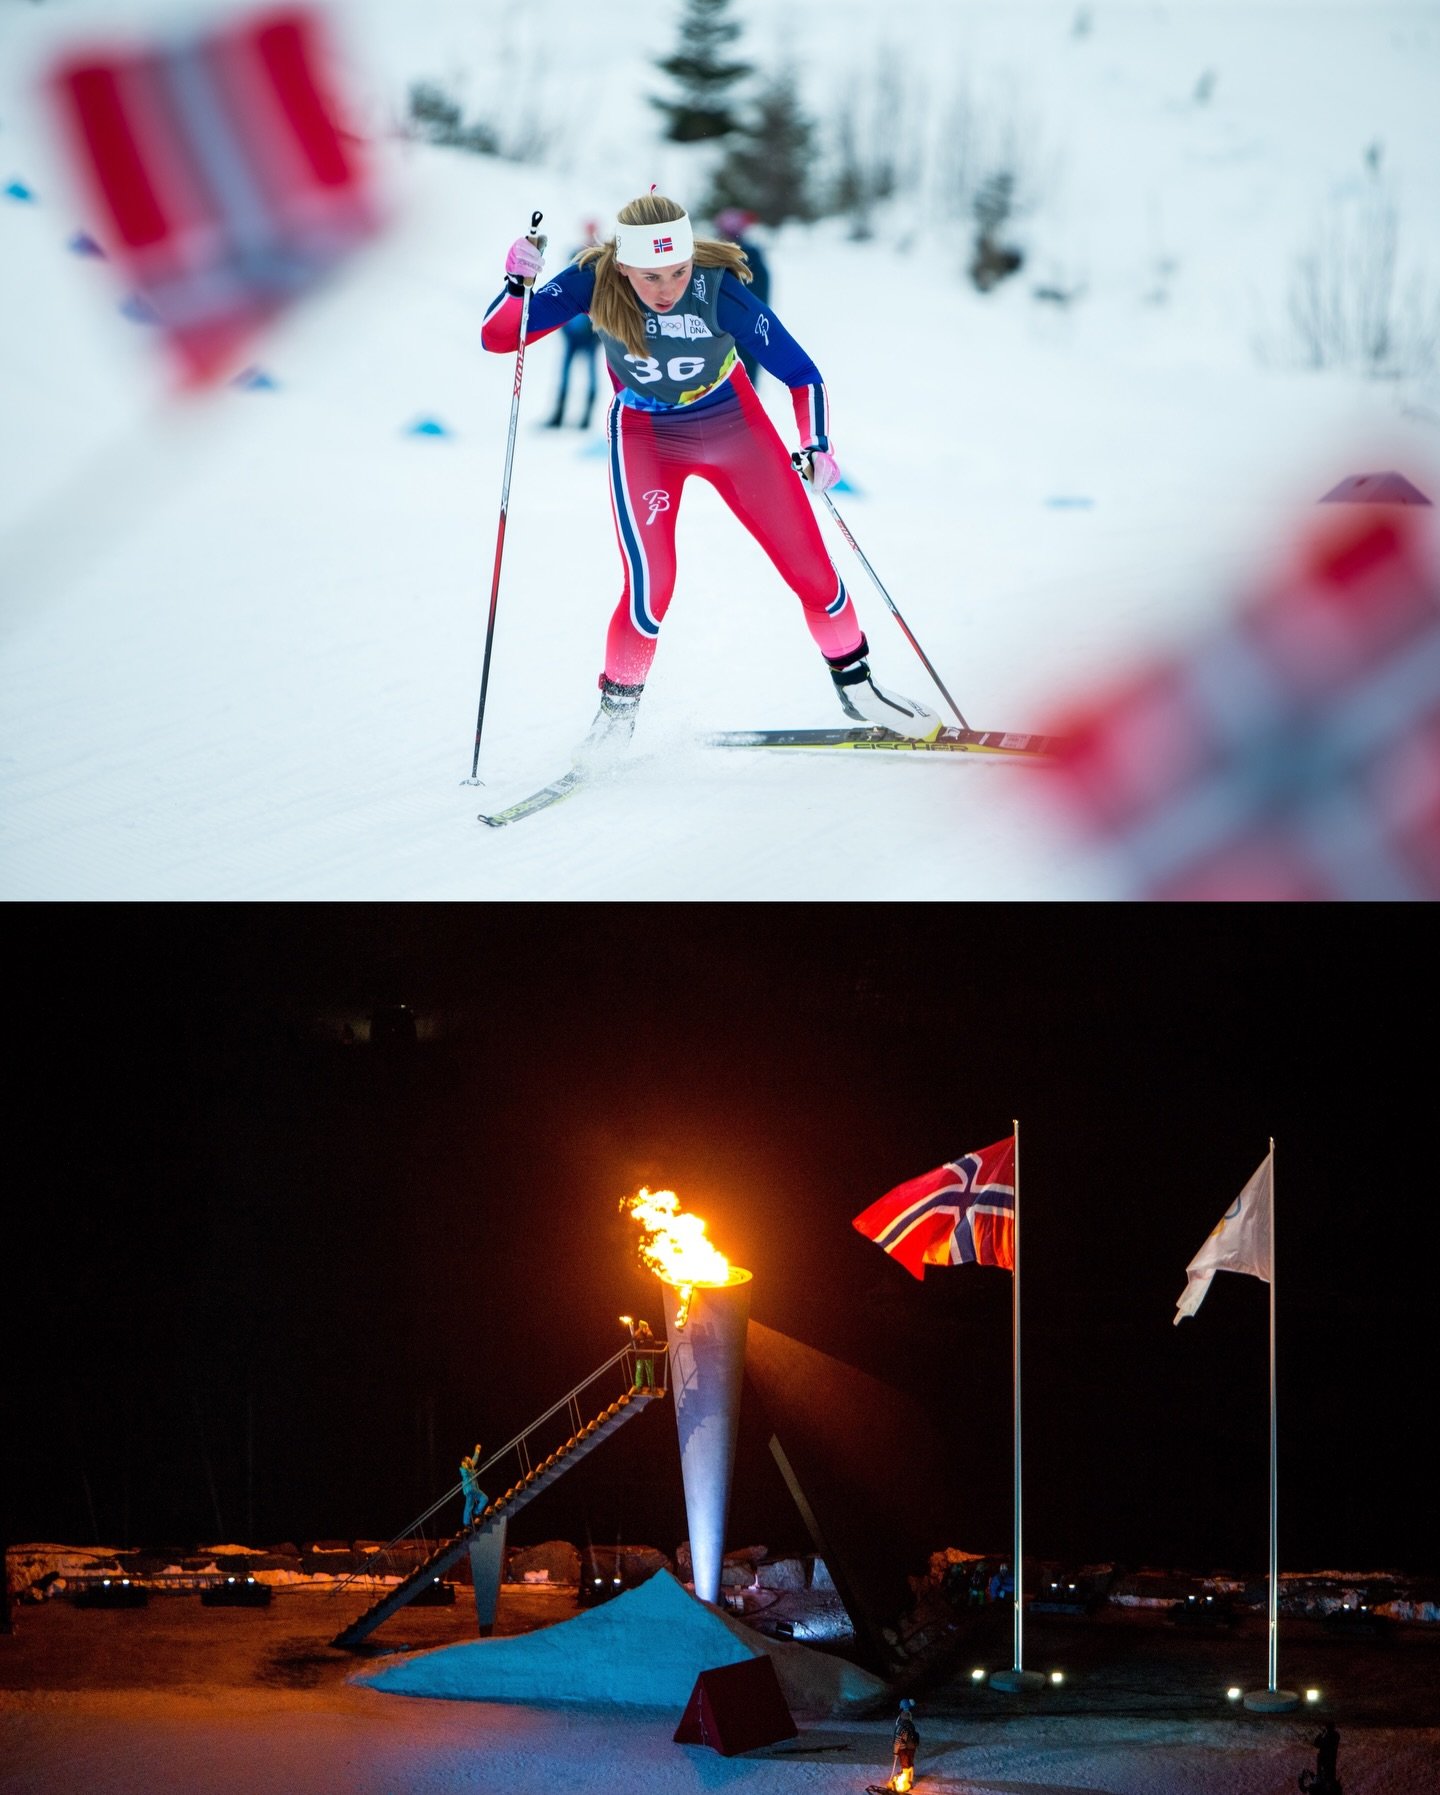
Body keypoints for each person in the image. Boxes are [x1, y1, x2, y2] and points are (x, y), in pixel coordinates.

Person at [481, 191, 939, 769]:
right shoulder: (590, 280)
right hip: (646, 435)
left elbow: (801, 373)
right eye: (650, 277)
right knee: (652, 588)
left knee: (814, 572)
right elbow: (500, 338)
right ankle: (614, 722)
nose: (667, 288)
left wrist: (816, 442)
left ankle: (859, 691)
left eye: (678, 271)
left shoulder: (717, 286)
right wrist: (515, 284)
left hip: (731, 423)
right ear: (622, 265)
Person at [543, 218, 603, 430]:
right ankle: (559, 415)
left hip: (592, 330)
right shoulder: (575, 255)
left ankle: (586, 417)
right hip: (572, 328)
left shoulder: (603, 258)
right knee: (566, 372)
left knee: (590, 373)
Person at [712, 207, 770, 385]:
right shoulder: (713, 256)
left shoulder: (750, 256)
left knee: (744, 375)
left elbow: (760, 292)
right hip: (721, 329)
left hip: (746, 326)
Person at [889, 1698, 919, 1792]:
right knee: (910, 1763)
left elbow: (897, 1740)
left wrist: (895, 1752)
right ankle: (910, 1780)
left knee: (905, 1765)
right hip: (912, 1747)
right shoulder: (910, 1722)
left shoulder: (901, 1724)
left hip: (903, 1749)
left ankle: (905, 1784)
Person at [459, 1444, 487, 1528]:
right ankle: (468, 1521)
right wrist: (465, 1466)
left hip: (474, 1489)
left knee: (482, 1499)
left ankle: (475, 1514)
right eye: (468, 1460)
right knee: (470, 1504)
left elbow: (474, 1459)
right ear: (464, 1463)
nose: (470, 1461)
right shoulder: (465, 1471)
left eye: (469, 1460)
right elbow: (464, 1472)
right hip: (470, 1490)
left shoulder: (471, 1468)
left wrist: (477, 1450)